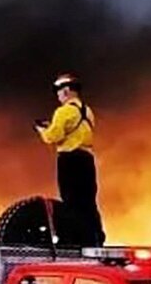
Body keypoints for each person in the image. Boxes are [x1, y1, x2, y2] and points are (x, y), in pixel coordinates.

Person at [35, 72, 103, 247]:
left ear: (65, 91)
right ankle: (94, 239)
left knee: (71, 201)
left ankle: (76, 240)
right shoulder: (88, 112)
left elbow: (53, 136)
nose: (58, 96)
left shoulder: (64, 112)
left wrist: (42, 130)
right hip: (87, 160)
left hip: (70, 160)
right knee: (88, 202)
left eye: (58, 92)